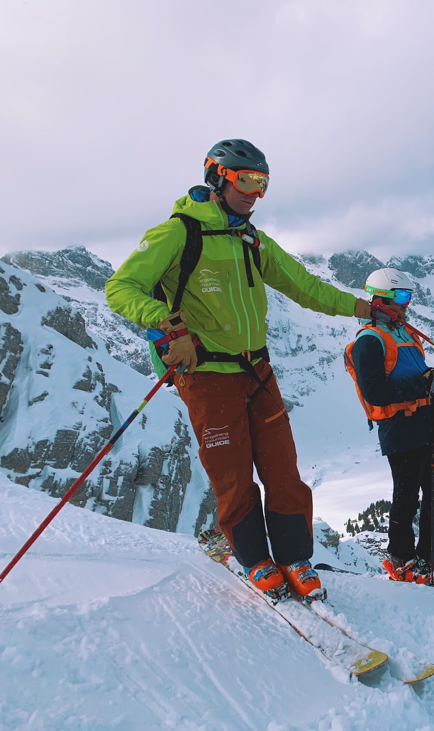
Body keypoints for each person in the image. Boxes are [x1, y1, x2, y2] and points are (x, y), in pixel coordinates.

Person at [105, 139, 373, 601]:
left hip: (257, 370)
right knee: (232, 475)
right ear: (218, 178)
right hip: (207, 375)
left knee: (283, 469)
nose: (255, 194)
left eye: (263, 184)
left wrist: (362, 308)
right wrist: (165, 323)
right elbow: (120, 287)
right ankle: (254, 559)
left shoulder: (250, 238)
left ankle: (294, 557)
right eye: (247, 181)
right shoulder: (178, 232)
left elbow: (304, 285)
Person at [345, 268, 434, 586]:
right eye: (402, 297)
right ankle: (401, 558)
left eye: (409, 297)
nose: (407, 305)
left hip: (429, 422)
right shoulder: (369, 341)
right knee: (407, 497)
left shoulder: (406, 333)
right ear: (382, 299)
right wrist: (421, 386)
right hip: (400, 426)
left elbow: (427, 387)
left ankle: (432, 556)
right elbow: (374, 392)